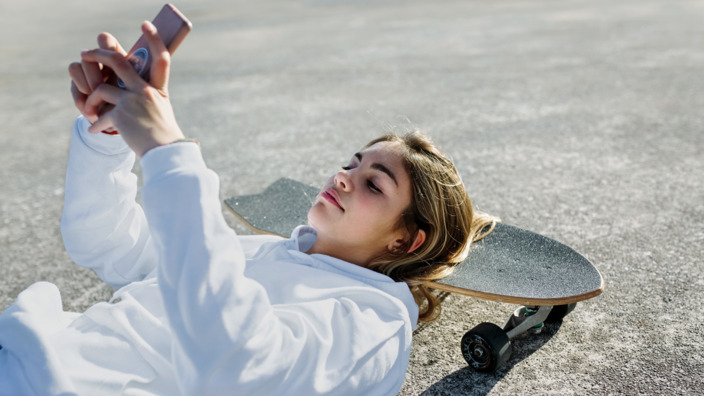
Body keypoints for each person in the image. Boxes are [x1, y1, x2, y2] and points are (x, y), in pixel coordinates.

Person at [0, 22, 496, 395]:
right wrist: (108, 136)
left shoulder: (372, 322)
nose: (343, 176)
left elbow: (237, 369)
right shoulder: (264, 252)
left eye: (373, 184)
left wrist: (168, 151)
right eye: (352, 162)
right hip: (33, 348)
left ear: (405, 240)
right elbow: (108, 244)